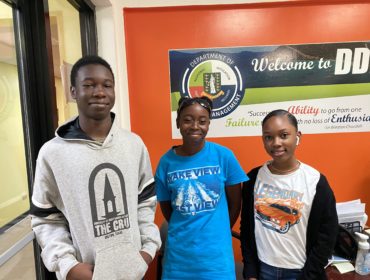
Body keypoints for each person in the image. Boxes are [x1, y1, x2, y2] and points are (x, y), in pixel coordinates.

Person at [30, 55, 161, 280]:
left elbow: (146, 201)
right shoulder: (53, 153)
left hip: (132, 272)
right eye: (89, 85)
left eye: (107, 85)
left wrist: (147, 250)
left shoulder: (133, 144)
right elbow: (45, 217)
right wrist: (67, 265)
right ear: (73, 92)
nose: (100, 92)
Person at [155, 96, 248, 279]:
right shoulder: (166, 163)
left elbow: (235, 204)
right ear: (178, 123)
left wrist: (217, 229)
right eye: (187, 120)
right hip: (179, 258)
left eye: (202, 121)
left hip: (216, 259)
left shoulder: (224, 156)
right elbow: (168, 210)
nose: (195, 126)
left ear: (208, 124)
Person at [240, 109, 338, 280]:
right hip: (263, 270)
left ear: (298, 136)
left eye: (284, 135)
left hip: (300, 272)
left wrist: (309, 275)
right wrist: (250, 271)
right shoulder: (253, 178)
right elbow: (247, 229)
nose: (276, 143)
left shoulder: (316, 181)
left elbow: (327, 235)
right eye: (268, 137)